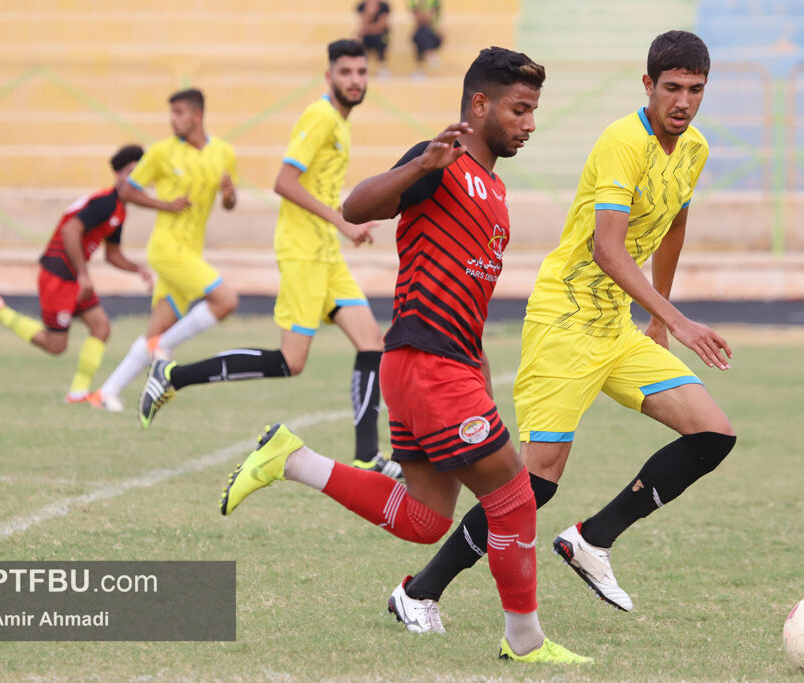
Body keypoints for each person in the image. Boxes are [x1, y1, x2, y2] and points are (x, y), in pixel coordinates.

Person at [217, 47, 590, 665]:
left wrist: (484, 383)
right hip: (426, 362)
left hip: (438, 367)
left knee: (423, 518)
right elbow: (356, 206)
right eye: (519, 109)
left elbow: (470, 303)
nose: (529, 123)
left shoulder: (495, 191)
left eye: (533, 111)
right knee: (515, 497)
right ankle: (525, 642)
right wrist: (420, 164)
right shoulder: (441, 161)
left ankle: (293, 459)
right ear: (479, 104)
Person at [386, 30, 737, 631]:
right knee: (533, 484)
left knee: (712, 434)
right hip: (566, 320)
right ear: (648, 86)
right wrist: (679, 320)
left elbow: (676, 223)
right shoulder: (624, 141)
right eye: (672, 88)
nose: (683, 101)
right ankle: (419, 592)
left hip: (617, 326)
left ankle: (592, 540)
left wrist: (658, 316)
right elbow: (607, 249)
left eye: (696, 90)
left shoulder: (695, 148)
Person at [137, 40, 398, 478]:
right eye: (346, 72)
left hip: (326, 254)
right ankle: (173, 375)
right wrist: (344, 222)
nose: (355, 80)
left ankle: (367, 455)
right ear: (329, 76)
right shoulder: (319, 116)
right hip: (302, 253)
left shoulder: (339, 120)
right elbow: (284, 181)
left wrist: (340, 227)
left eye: (361, 72)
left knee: (373, 343)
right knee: (290, 362)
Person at [89, 89, 239, 412]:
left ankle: (106, 392)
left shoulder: (224, 152)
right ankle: (163, 353)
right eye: (171, 113)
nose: (173, 119)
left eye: (179, 112)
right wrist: (165, 204)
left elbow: (229, 203)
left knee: (156, 329)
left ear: (197, 116)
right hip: (167, 249)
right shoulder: (161, 152)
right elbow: (126, 190)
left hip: (190, 252)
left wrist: (229, 194)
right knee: (226, 300)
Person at [0, 145, 151, 403]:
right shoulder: (104, 202)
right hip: (59, 272)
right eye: (130, 172)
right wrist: (83, 274)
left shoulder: (118, 210)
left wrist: (139, 269)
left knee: (101, 327)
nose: (135, 179)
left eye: (140, 174)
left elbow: (112, 254)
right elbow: (70, 230)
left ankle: (78, 392)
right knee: (56, 345)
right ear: (118, 175)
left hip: (73, 274)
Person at [356, 1, 391, 76]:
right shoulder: (362, 6)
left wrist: (365, 30)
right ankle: (363, 67)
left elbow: (380, 26)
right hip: (368, 36)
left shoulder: (384, 6)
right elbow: (364, 23)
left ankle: (383, 67)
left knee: (381, 40)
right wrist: (369, 13)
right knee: (364, 41)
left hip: (382, 36)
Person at [409, 0, 442, 76]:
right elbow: (421, 18)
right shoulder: (413, 2)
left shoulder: (434, 1)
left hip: (433, 34)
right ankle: (428, 53)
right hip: (420, 33)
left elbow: (427, 18)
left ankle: (419, 69)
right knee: (421, 33)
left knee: (422, 32)